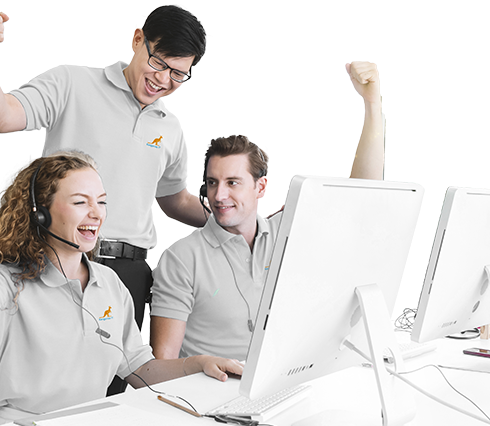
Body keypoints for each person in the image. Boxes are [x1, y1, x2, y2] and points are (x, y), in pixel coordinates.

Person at [0, 4, 210, 361]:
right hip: (59, 259)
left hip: (130, 272)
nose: (163, 79)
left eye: (178, 73)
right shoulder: (72, 82)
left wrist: (240, 218)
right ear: (137, 39)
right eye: (158, 62)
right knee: (48, 371)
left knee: (115, 382)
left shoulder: (170, 129)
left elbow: (175, 201)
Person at [0, 152, 243, 426]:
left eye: (101, 202)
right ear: (40, 213)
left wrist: (198, 364)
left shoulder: (109, 283)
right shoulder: (6, 280)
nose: (96, 213)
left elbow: (141, 370)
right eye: (80, 202)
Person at [150, 62, 385, 362]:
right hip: (214, 396)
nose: (219, 196)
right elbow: (163, 368)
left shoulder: (288, 232)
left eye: (233, 183)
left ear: (261, 188)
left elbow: (364, 202)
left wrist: (372, 104)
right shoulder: (180, 259)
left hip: (287, 385)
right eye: (212, 183)